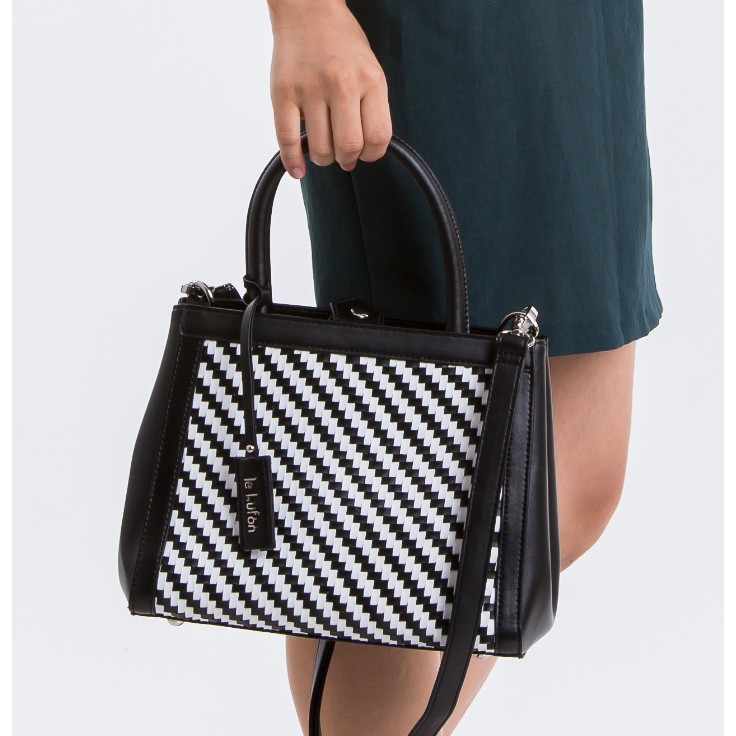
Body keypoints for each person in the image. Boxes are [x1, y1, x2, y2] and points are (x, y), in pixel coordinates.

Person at [265, 1, 663, 734]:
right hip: (441, 33)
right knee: (420, 511)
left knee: (571, 478)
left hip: (578, 29)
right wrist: (306, 16)